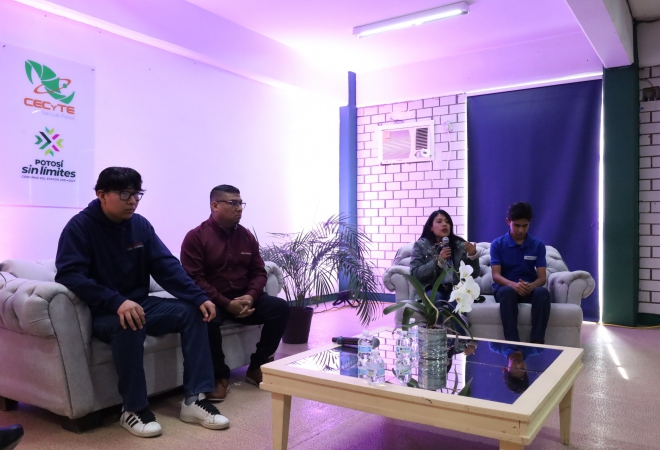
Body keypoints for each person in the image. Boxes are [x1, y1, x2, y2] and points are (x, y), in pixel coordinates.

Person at [55, 167, 229, 438]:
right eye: (125, 194)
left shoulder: (140, 225)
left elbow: (166, 266)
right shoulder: (79, 227)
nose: (133, 201)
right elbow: (69, 274)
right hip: (103, 311)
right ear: (102, 194)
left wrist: (198, 296)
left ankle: (194, 400)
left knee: (193, 312)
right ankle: (133, 409)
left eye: (137, 194)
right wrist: (115, 301)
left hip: (141, 303)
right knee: (129, 323)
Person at [181, 184, 289, 402]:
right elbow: (195, 279)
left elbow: (259, 272)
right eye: (233, 203)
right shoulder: (196, 237)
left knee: (280, 308)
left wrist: (250, 296)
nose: (239, 208)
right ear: (215, 206)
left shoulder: (246, 236)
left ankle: (257, 366)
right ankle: (220, 376)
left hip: (244, 298)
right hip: (215, 301)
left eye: (241, 203)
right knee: (205, 316)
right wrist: (225, 303)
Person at [490, 202, 551, 344]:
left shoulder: (537, 245)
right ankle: (513, 344)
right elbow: (496, 276)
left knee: (543, 293)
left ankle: (537, 342)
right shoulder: (497, 244)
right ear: (508, 222)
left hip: (529, 288)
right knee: (507, 292)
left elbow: (542, 278)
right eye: (517, 225)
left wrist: (532, 286)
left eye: (525, 226)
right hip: (506, 288)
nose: (520, 230)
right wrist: (513, 285)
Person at [409, 209, 480, 301]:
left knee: (457, 301)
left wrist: (472, 256)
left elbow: (474, 274)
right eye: (439, 221)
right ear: (431, 227)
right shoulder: (421, 246)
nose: (444, 224)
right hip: (431, 288)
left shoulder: (460, 245)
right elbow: (415, 274)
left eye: (447, 222)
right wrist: (438, 262)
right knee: (435, 298)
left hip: (456, 287)